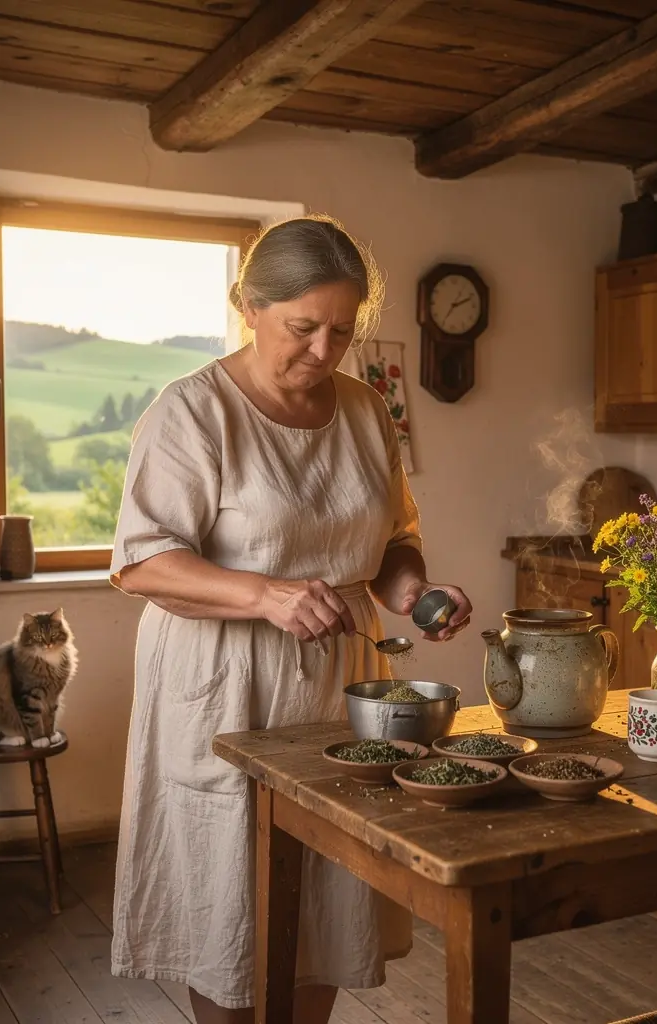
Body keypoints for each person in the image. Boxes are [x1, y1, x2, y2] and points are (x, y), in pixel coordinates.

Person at [108, 215, 472, 1024]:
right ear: (249, 306)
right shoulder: (192, 412)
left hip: (342, 682)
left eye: (341, 331)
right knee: (230, 903)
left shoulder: (367, 410)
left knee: (326, 899)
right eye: (303, 327)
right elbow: (141, 562)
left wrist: (415, 592)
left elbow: (392, 541)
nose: (322, 350)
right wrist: (265, 595)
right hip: (225, 686)